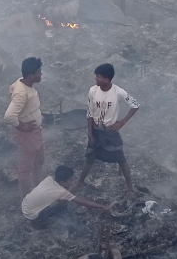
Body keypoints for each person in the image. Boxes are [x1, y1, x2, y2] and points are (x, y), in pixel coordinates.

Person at [76, 63, 140, 199]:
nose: (95, 79)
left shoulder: (119, 92)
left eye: (98, 77)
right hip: (96, 130)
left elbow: (135, 105)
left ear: (106, 79)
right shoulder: (93, 91)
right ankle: (80, 182)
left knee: (121, 159)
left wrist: (122, 122)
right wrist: (90, 133)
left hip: (110, 133)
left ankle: (130, 189)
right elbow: (89, 112)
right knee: (90, 157)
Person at [3, 57, 44, 199]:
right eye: (39, 72)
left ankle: (38, 187)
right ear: (31, 75)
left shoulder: (24, 82)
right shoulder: (22, 93)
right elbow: (9, 116)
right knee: (26, 168)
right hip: (28, 135)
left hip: (35, 132)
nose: (41, 74)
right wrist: (23, 126)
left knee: (39, 159)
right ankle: (27, 199)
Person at [22, 165, 111, 226]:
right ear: (62, 182)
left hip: (25, 204)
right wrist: (102, 207)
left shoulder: (48, 179)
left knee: (58, 201)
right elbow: (83, 202)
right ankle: (39, 222)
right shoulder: (61, 192)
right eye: (70, 180)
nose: (72, 182)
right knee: (62, 206)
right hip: (31, 215)